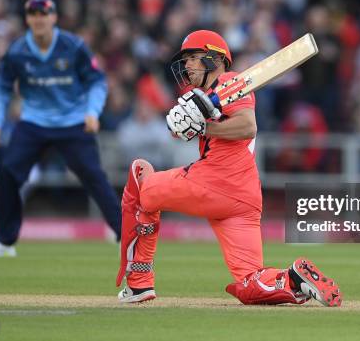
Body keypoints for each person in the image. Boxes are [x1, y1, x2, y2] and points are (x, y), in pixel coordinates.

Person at [115, 30, 342, 306]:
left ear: (214, 59)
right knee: (250, 283)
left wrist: (203, 125)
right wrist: (185, 124)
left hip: (214, 182)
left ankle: (139, 282)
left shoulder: (229, 81)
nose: (186, 66)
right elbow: (187, 129)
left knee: (140, 175)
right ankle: (293, 278)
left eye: (192, 58)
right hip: (243, 196)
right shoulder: (209, 95)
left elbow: (248, 126)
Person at [0, 0, 121, 257]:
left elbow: (97, 82)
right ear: (27, 18)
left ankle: (125, 234)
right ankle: (4, 241)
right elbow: (2, 88)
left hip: (74, 122)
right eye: (33, 14)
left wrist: (92, 112)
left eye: (44, 14)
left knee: (94, 176)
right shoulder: (17, 51)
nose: (39, 19)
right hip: (34, 122)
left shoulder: (74, 46)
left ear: (54, 17)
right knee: (8, 172)